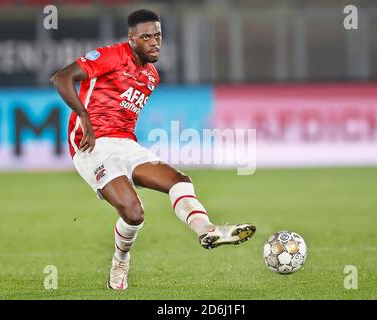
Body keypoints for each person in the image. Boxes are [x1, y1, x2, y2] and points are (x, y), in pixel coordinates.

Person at [51, 9, 256, 290]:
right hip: (92, 144)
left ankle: (207, 230)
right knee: (134, 213)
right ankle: (120, 261)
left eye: (157, 36)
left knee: (179, 181)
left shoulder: (151, 76)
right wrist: (84, 118)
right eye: (146, 37)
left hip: (126, 144)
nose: (154, 42)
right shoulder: (111, 55)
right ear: (132, 38)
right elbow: (61, 78)